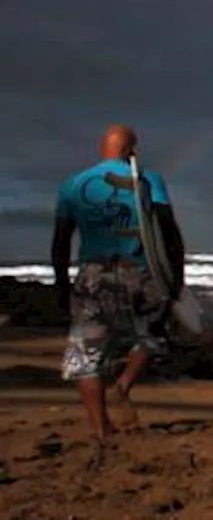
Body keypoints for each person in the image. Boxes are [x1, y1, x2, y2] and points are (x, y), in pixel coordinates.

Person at [52, 125, 185, 443]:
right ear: (133, 150)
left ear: (102, 149)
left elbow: (60, 241)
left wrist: (61, 284)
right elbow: (169, 234)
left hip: (93, 275)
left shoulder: (73, 185)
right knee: (154, 334)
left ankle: (102, 429)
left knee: (86, 356)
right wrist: (176, 278)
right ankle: (123, 385)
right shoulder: (149, 180)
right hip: (139, 273)